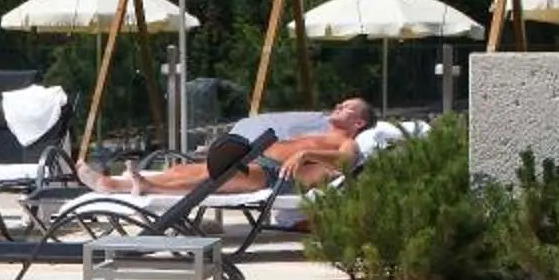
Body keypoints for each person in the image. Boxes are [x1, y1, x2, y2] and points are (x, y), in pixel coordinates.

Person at [93, 98, 377, 195]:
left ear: (360, 122)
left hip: (274, 176)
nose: (339, 106)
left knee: (208, 177)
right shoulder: (320, 131)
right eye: (340, 104)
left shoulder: (348, 143)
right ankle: (123, 182)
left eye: (347, 107)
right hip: (258, 161)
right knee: (185, 167)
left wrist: (305, 154)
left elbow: (344, 164)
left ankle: (134, 186)